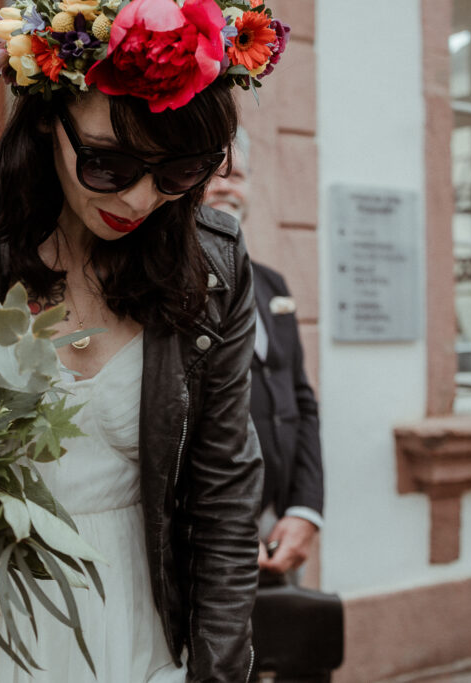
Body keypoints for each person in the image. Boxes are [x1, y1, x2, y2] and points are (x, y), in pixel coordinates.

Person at [0, 1, 291, 680]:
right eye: (108, 164)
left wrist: (217, 669)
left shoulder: (212, 267)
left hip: (131, 615)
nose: (140, 199)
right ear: (46, 117)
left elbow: (223, 492)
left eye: (181, 173)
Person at [204, 130, 324, 581]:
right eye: (211, 175)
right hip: (210, 528)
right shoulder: (167, 285)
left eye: (236, 175)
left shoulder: (273, 285)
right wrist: (226, 522)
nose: (225, 186)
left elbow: (302, 401)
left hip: (280, 525)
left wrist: (306, 508)